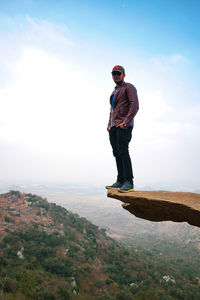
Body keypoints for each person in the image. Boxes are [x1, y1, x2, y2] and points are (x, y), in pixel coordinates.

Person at [106, 65, 139, 192]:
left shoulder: (128, 87)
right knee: (117, 152)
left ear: (124, 74)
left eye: (118, 73)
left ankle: (128, 182)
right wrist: (109, 125)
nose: (116, 76)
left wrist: (125, 123)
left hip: (123, 126)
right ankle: (120, 180)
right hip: (114, 127)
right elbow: (112, 110)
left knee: (123, 151)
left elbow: (134, 105)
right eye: (113, 73)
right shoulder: (114, 91)